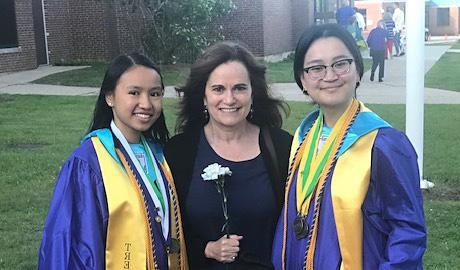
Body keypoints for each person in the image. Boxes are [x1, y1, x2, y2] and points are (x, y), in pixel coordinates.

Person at [272, 24, 427, 269]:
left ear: (357, 71)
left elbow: (407, 231)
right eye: (316, 68)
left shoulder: (384, 144)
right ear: (302, 80)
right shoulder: (304, 137)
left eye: (340, 63)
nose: (330, 76)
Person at [38, 53, 188, 269]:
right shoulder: (89, 162)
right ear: (110, 97)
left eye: (155, 94)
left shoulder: (159, 156)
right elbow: (76, 246)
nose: (146, 104)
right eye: (134, 93)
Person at [164, 41, 293, 269]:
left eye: (240, 88)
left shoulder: (282, 147)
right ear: (203, 96)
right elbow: (165, 231)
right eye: (218, 89)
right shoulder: (179, 152)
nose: (230, 99)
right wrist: (205, 249)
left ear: (253, 92)